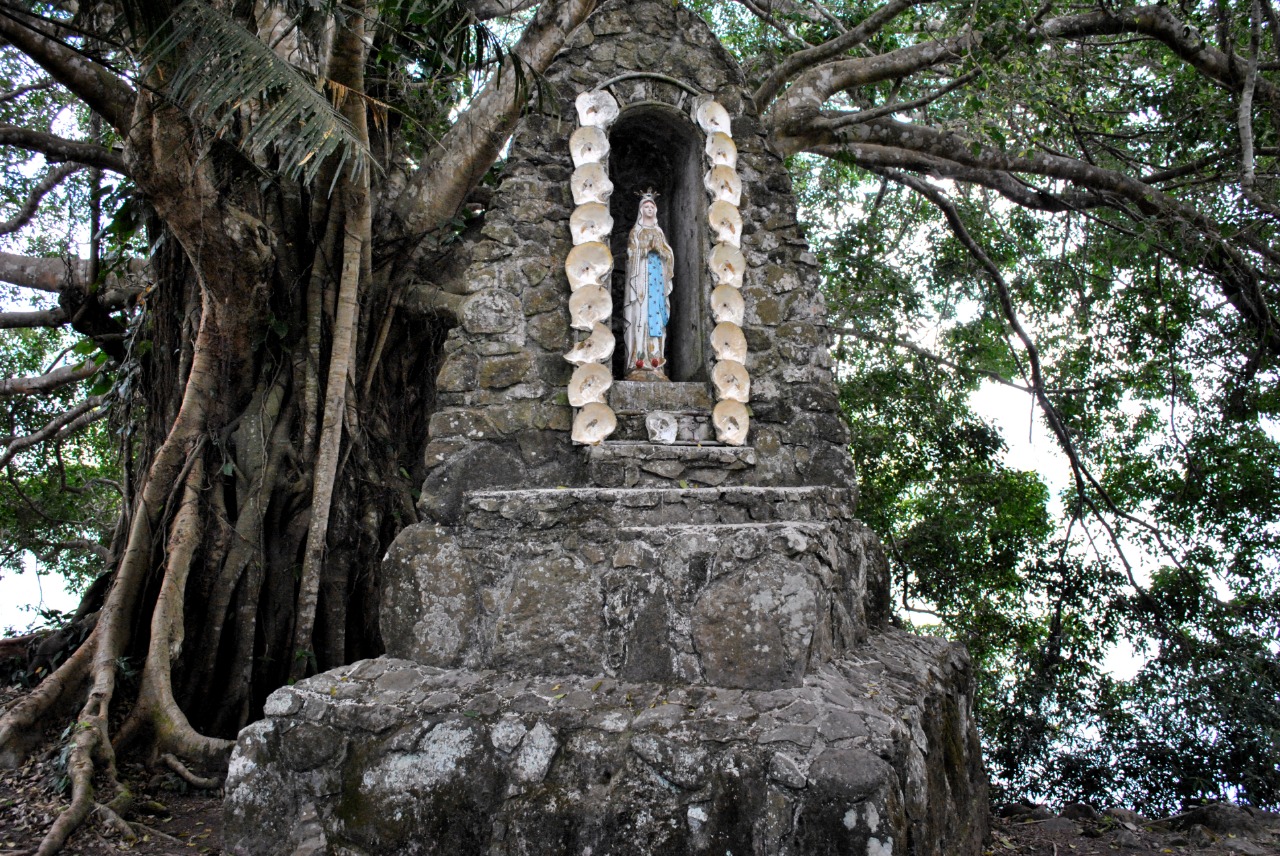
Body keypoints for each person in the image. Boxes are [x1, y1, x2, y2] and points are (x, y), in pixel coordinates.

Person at [624, 191, 675, 380]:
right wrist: (645, 249)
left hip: (656, 280)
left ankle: (656, 359)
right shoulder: (636, 232)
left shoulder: (659, 232)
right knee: (640, 316)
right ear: (641, 210)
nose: (649, 209)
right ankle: (638, 360)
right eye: (646, 206)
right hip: (641, 280)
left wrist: (661, 250)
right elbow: (630, 254)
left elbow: (668, 256)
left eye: (652, 206)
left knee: (656, 319)